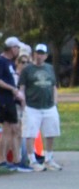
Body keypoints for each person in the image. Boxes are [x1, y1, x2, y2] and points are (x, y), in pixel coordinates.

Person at [19, 43, 62, 171]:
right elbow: (22, 88)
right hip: (32, 106)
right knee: (30, 133)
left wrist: (55, 102)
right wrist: (23, 104)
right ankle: (32, 160)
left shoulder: (49, 68)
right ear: (34, 54)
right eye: (37, 53)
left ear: (46, 56)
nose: (39, 56)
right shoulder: (27, 70)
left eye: (42, 54)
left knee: (51, 132)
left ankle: (49, 159)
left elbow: (53, 86)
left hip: (49, 106)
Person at [0, 35, 27, 171]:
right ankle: (2, 159)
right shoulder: (0, 61)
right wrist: (12, 89)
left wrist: (18, 94)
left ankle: (16, 159)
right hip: (4, 100)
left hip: (12, 100)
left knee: (15, 129)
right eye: (17, 47)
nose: (18, 50)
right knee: (6, 130)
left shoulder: (10, 63)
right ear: (12, 48)